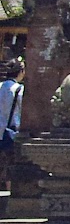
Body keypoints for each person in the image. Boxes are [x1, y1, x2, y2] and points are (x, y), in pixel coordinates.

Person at [0, 59, 23, 191]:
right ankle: (9, 193)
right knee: (9, 164)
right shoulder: (19, 90)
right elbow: (21, 111)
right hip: (9, 133)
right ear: (20, 72)